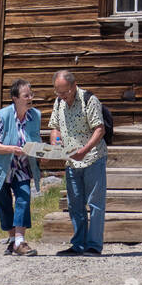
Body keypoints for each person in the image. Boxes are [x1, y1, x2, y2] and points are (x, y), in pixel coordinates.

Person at [0, 78, 42, 257]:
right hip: (0, 168)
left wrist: (39, 152)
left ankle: (20, 241)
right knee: (4, 204)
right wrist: (12, 149)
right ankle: (13, 240)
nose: (30, 98)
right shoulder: (2, 116)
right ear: (15, 98)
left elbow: (36, 140)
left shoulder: (35, 115)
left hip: (22, 167)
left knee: (24, 197)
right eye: (26, 95)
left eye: (31, 94)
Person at [48, 69, 107, 256]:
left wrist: (84, 150)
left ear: (74, 86)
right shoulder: (59, 102)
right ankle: (78, 245)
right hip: (72, 162)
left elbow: (99, 129)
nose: (62, 96)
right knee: (75, 204)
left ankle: (94, 246)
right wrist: (56, 144)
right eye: (58, 92)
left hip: (92, 158)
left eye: (64, 92)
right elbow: (55, 128)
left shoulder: (89, 100)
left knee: (95, 204)